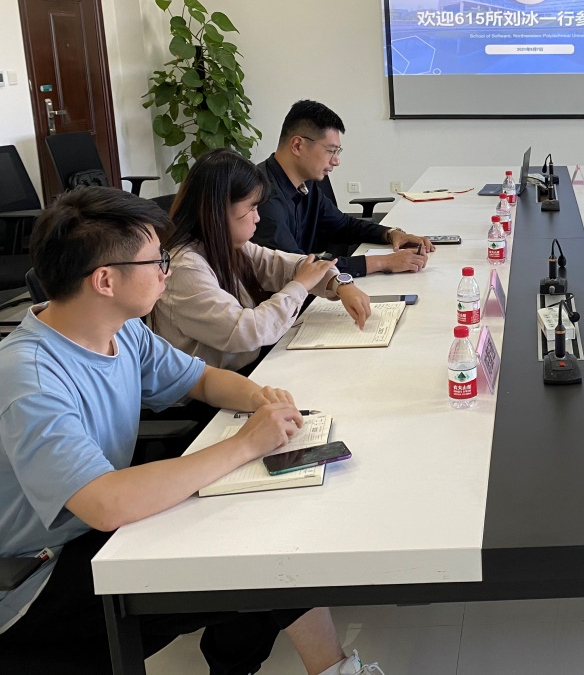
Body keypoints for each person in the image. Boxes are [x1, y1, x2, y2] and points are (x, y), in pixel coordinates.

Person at [0, 187, 379, 675]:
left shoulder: (120, 328)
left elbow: (199, 379)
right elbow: (104, 504)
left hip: (97, 528)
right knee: (258, 557)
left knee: (263, 526)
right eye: (156, 261)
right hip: (39, 573)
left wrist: (261, 399)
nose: (167, 270)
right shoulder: (30, 379)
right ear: (105, 280)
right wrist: (245, 444)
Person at [151, 148, 373, 372]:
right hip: (210, 387)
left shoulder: (228, 246)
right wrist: (300, 286)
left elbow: (288, 265)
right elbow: (245, 332)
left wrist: (339, 283)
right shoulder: (184, 268)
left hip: (241, 370)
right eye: (252, 207)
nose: (257, 217)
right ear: (219, 210)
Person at [254, 100, 433, 277]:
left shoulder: (305, 184)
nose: (336, 161)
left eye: (337, 152)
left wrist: (390, 233)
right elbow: (296, 268)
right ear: (297, 146)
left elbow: (343, 225)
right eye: (331, 151)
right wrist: (382, 262)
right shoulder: (261, 196)